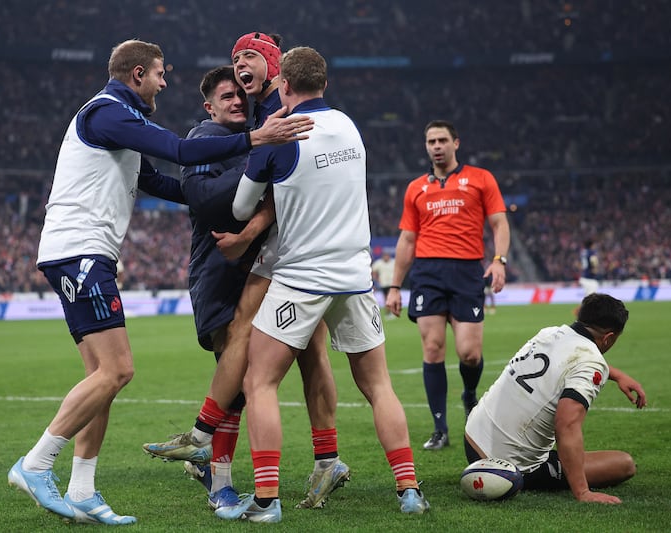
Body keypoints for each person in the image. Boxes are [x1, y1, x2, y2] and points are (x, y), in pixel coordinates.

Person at [6, 38, 312, 525]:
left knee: (99, 381)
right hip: (79, 252)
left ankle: (82, 488)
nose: (165, 82)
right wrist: (255, 141)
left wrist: (210, 197)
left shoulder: (122, 124)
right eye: (159, 74)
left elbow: (160, 180)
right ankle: (37, 463)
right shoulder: (105, 112)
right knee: (117, 371)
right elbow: (178, 149)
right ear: (136, 75)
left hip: (88, 253)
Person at [215, 46, 430, 523]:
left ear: (283, 88)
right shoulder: (350, 127)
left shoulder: (279, 139)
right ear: (325, 86)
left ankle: (266, 501)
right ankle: (409, 489)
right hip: (355, 276)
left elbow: (239, 209)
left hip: (301, 276)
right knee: (378, 386)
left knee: (260, 380)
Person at [143, 33, 349, 511]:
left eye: (241, 82)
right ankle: (220, 481)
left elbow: (275, 188)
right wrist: (259, 162)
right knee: (239, 376)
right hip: (220, 269)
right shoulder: (208, 137)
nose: (236, 94)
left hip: (273, 261)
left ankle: (315, 458)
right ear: (209, 107)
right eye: (226, 94)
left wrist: (258, 180)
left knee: (304, 354)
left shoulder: (268, 124)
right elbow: (202, 198)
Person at [385, 119, 510, 451]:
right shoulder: (415, 188)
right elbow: (407, 239)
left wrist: (499, 260)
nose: (436, 146)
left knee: (470, 353)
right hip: (427, 272)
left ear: (456, 143)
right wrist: (395, 286)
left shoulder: (481, 179)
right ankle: (440, 428)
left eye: (442, 140)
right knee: (433, 348)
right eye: (431, 141)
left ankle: (469, 394)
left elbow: (499, 222)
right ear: (426, 146)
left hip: (468, 271)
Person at [465, 293, 646, 504]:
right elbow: (566, 424)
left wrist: (617, 375)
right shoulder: (590, 363)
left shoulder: (549, 333)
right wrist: (583, 492)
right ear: (608, 338)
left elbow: (567, 358)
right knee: (624, 464)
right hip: (506, 466)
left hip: (473, 438)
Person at [372, 250, 396, 316]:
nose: (386, 258)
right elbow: (373, 271)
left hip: (392, 283)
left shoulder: (393, 262)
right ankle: (388, 312)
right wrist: (377, 279)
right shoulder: (379, 263)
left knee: (392, 297)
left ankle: (392, 311)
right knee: (386, 298)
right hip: (384, 283)